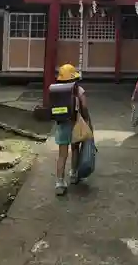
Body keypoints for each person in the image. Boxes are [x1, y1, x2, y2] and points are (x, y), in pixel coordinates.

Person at [54, 63, 91, 196]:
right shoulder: (79, 90)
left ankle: (59, 182)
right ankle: (74, 174)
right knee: (75, 149)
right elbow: (84, 107)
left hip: (62, 125)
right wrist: (86, 119)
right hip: (75, 124)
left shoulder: (56, 90)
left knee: (62, 155)